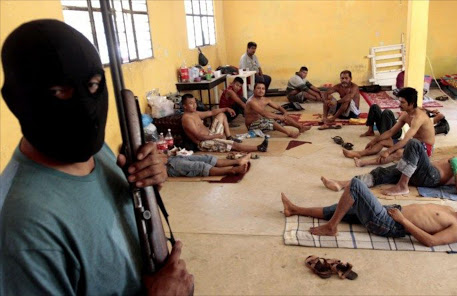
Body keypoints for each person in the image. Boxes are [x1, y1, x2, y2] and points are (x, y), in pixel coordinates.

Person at [0, 20, 193, 295]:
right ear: (16, 100)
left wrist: (148, 178)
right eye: (58, 91)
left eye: (92, 85)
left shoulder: (97, 151)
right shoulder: (22, 226)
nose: (84, 107)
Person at [281, 178, 457, 247]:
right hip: (392, 214)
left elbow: (431, 241)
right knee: (343, 206)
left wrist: (403, 220)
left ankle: (331, 227)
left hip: (391, 224)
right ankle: (294, 209)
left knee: (355, 186)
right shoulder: (449, 208)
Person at [322, 139, 457, 196]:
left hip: (431, 177)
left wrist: (456, 169)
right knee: (382, 173)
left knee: (415, 144)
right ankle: (342, 184)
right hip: (420, 171)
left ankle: (402, 186)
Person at [343, 87, 435, 167]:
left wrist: (389, 151)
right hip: (413, 143)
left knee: (398, 152)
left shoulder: (418, 118)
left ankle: (363, 163)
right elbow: (391, 132)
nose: (399, 105)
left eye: (402, 102)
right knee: (383, 141)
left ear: (411, 104)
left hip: (425, 148)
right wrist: (374, 140)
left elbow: (405, 140)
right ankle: (359, 153)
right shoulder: (405, 115)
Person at [181, 94, 268, 152]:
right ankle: (259, 147)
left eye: (195, 102)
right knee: (234, 145)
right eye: (191, 103)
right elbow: (199, 137)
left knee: (222, 115)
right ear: (184, 106)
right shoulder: (187, 119)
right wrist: (217, 136)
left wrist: (226, 108)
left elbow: (211, 112)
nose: (195, 105)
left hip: (210, 135)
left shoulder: (194, 113)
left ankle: (229, 137)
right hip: (204, 143)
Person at [245, 82, 311, 138]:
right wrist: (279, 117)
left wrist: (285, 113)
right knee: (270, 119)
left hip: (262, 122)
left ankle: (300, 127)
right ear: (254, 90)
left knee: (284, 117)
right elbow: (264, 113)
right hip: (252, 125)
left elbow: (278, 107)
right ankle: (289, 133)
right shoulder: (251, 101)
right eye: (258, 88)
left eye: (263, 89)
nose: (261, 90)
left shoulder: (265, 99)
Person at [360, 105, 449, 137]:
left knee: (387, 112)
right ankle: (370, 131)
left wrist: (435, 114)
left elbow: (441, 116)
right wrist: (430, 110)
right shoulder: (416, 114)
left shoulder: (427, 121)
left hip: (398, 132)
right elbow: (416, 107)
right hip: (391, 127)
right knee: (374, 107)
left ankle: (384, 137)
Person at [167, 152, 251, 177]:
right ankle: (231, 170)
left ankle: (237, 161)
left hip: (171, 158)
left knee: (207, 158)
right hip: (169, 166)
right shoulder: (187, 118)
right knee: (199, 166)